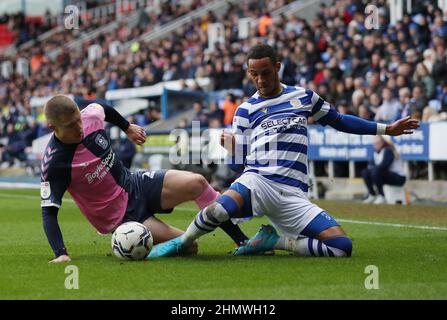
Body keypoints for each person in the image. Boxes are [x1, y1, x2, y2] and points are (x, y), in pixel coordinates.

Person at [148, 44, 419, 259]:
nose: (260, 79)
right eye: (254, 74)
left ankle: (276, 241)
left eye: (265, 72)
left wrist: (386, 129)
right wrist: (233, 150)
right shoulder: (245, 110)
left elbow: (340, 121)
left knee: (340, 247)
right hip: (259, 181)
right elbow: (237, 168)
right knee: (220, 210)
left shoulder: (303, 97)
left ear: (277, 67)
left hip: (293, 194)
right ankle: (182, 243)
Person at [41, 95, 248, 263]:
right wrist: (61, 253)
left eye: (79, 119)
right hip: (121, 216)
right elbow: (49, 212)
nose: (79, 127)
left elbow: (101, 107)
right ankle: (137, 244)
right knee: (189, 247)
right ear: (53, 127)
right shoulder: (55, 163)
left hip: (134, 183)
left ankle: (242, 241)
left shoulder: (89, 118)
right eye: (70, 125)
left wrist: (127, 127)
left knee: (198, 182)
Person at [361, 136, 406, 204]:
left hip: (399, 177)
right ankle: (372, 194)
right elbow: (370, 165)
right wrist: (372, 169)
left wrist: (374, 169)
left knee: (376, 171)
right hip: (386, 175)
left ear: (382, 142)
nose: (375, 145)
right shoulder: (376, 152)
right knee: (365, 172)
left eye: (377, 143)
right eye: (374, 143)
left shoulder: (388, 150)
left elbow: (384, 166)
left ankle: (382, 196)